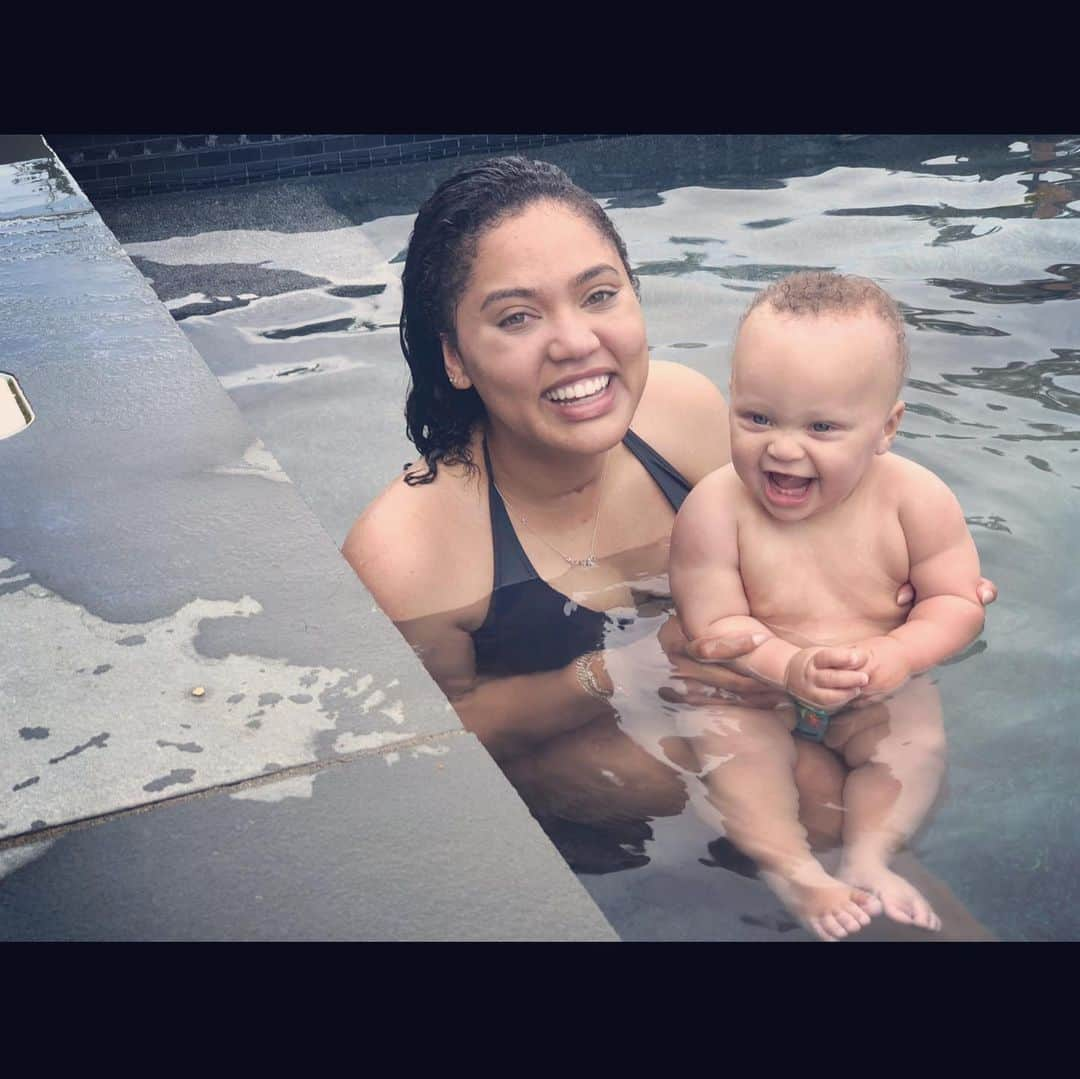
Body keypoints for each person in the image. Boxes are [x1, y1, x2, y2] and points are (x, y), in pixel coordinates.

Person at [341, 157, 998, 935]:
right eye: (517, 317)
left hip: (738, 689)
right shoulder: (408, 547)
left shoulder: (681, 413)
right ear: (454, 354)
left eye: (599, 295)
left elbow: (794, 528)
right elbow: (430, 743)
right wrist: (619, 672)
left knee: (864, 774)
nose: (576, 341)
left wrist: (909, 582)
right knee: (817, 801)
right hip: (564, 737)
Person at [670, 272, 986, 941]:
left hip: (878, 689)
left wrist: (897, 654)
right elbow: (716, 626)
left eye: (821, 426)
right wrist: (788, 667)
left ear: (886, 427)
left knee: (911, 741)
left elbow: (957, 600)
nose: (783, 447)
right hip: (758, 692)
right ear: (730, 401)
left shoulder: (916, 500)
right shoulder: (715, 508)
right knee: (729, 742)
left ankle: (872, 857)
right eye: (757, 417)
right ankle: (793, 870)